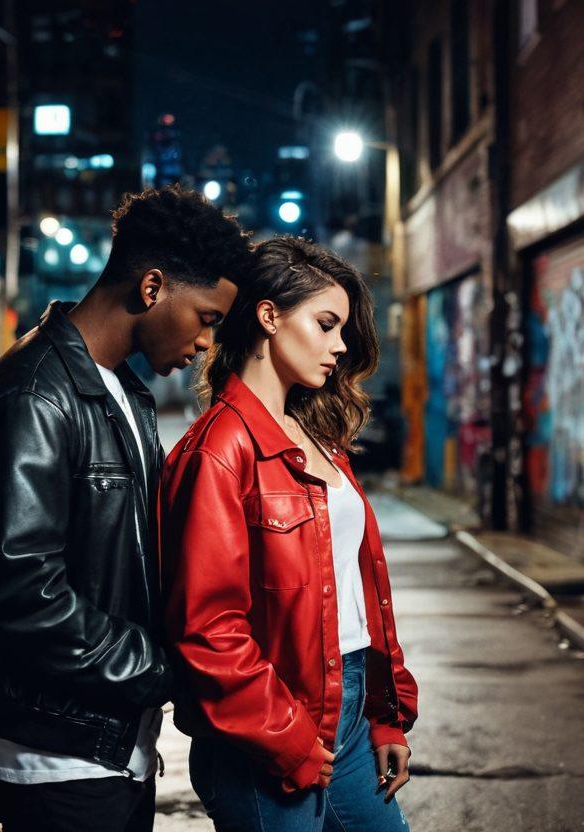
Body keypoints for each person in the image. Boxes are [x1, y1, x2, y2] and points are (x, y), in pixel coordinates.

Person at [0, 185, 253, 832]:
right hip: (56, 750)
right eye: (207, 318)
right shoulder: (34, 397)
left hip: (107, 736)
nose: (206, 343)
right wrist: (165, 667)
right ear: (152, 288)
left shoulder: (119, 393)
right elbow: (24, 598)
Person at [159, 236, 418, 831]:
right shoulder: (221, 450)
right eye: (326, 324)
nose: (340, 345)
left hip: (348, 716)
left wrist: (382, 714)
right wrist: (287, 738)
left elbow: (357, 592)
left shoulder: (318, 436)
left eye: (343, 329)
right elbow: (206, 627)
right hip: (267, 735)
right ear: (269, 316)